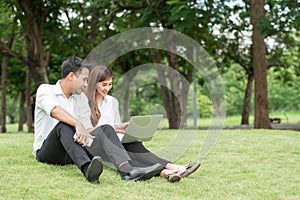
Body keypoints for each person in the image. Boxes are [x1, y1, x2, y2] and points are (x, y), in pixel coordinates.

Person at [33, 56, 163, 184]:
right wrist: (77, 124)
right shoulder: (45, 90)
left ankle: (127, 171)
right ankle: (87, 169)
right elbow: (55, 111)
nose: (86, 85)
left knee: (106, 128)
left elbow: (87, 129)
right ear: (71, 76)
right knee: (64, 126)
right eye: (84, 80)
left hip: (74, 151)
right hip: (49, 152)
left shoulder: (80, 99)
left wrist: (116, 128)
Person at [85, 65, 201, 182]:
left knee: (133, 145)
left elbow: (114, 128)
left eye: (110, 84)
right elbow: (86, 131)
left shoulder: (112, 102)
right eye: (104, 85)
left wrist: (123, 129)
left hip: (113, 144)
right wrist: (114, 129)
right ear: (94, 83)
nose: (107, 88)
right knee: (124, 147)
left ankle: (167, 172)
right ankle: (174, 168)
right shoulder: (84, 102)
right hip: (94, 146)